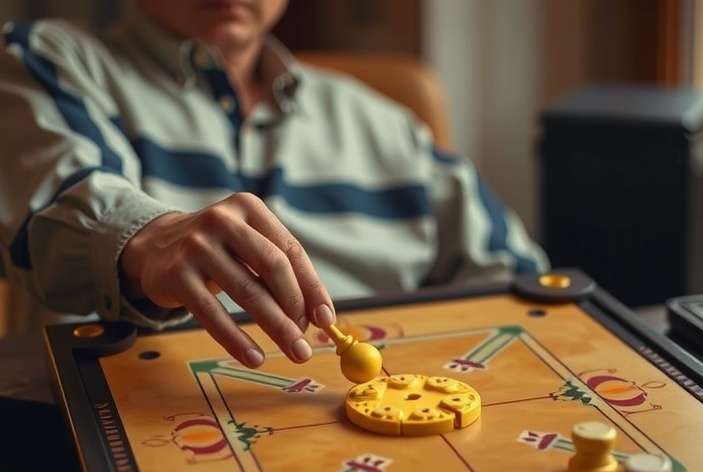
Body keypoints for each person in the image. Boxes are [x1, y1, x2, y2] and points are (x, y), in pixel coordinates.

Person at [0, 0, 547, 369]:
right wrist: (149, 240)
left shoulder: (388, 124)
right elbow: (60, 207)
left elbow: (528, 295)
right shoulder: (41, 61)